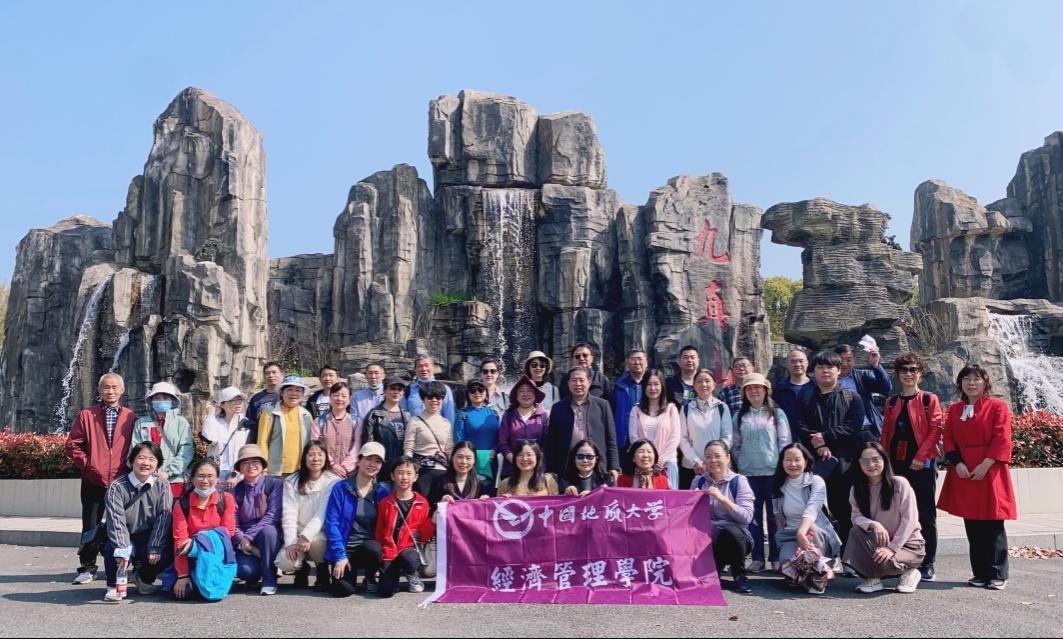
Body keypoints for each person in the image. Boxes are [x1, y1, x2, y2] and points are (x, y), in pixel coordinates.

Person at [937, 364, 1017, 590]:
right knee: (972, 524)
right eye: (966, 379)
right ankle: (980, 573)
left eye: (976, 379)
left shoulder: (997, 406)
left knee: (993, 523)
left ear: (985, 383)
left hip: (989, 469)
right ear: (960, 383)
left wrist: (986, 464)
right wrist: (957, 463)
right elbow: (948, 438)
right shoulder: (955, 410)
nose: (971, 383)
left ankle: (997, 573)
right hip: (964, 471)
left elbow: (1002, 438)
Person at [798, 350, 867, 567]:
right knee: (817, 511)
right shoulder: (806, 397)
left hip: (845, 464)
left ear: (839, 370)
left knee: (845, 510)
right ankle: (823, 556)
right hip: (816, 463)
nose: (825, 371)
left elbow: (854, 426)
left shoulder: (851, 397)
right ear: (813, 372)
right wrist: (820, 445)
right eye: (820, 367)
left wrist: (826, 437)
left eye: (830, 367)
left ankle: (849, 557)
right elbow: (800, 425)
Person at [65, 372, 136, 585]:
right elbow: (73, 445)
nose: (110, 391)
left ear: (122, 390)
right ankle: (87, 567)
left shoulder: (131, 417)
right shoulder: (87, 415)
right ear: (99, 390)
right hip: (93, 480)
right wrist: (89, 465)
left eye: (114, 387)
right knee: (90, 525)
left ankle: (125, 565)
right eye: (106, 387)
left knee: (125, 524)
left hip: (122, 481)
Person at [880, 352, 944, 581]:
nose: (909, 374)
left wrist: (920, 457)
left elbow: (935, 429)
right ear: (898, 374)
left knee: (925, 515)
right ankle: (899, 560)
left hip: (921, 464)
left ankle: (927, 563)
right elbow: (886, 433)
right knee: (897, 514)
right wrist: (883, 461)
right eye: (904, 370)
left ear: (920, 373)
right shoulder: (891, 402)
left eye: (913, 370)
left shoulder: (929, 399)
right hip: (896, 464)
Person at [843, 442, 925, 594]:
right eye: (865, 461)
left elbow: (910, 520)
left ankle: (910, 573)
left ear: (884, 460)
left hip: (907, 545)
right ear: (859, 464)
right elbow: (856, 516)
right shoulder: (857, 489)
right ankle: (873, 578)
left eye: (876, 459)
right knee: (856, 531)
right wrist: (873, 524)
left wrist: (891, 548)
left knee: (885, 559)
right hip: (880, 543)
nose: (871, 465)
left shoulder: (899, 484)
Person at [732, 373, 791, 572]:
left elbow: (785, 443)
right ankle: (757, 557)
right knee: (753, 517)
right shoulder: (740, 416)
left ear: (766, 390)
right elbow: (735, 444)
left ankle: (775, 557)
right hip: (748, 473)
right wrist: (742, 462)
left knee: (775, 517)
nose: (753, 391)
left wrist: (782, 468)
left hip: (773, 472)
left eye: (757, 387)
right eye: (749, 388)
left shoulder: (777, 414)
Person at [102, 441, 173, 602]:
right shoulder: (117, 487)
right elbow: (116, 521)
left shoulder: (163, 485)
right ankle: (113, 585)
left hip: (148, 535)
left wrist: (155, 546)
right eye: (141, 458)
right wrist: (122, 548)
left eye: (152, 459)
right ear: (132, 460)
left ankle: (142, 578)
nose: (146, 463)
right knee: (113, 550)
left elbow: (163, 518)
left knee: (164, 553)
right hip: (125, 534)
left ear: (158, 464)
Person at [772, 443, 841, 595]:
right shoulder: (778, 484)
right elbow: (777, 514)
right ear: (782, 462)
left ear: (806, 461)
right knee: (786, 564)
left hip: (816, 534)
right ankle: (805, 577)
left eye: (797, 459)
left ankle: (818, 577)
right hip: (791, 536)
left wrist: (801, 533)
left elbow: (812, 508)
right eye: (788, 460)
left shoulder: (816, 481)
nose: (793, 464)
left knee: (811, 529)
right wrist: (781, 538)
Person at [324, 442, 391, 597]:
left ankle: (370, 576)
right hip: (345, 548)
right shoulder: (341, 488)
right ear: (359, 460)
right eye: (368, 459)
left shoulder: (382, 493)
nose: (372, 464)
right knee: (343, 590)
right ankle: (346, 572)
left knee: (374, 549)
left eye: (377, 461)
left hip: (368, 549)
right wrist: (340, 555)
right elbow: (331, 523)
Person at [691, 440, 755, 594]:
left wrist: (722, 499)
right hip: (707, 537)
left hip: (735, 539)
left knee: (730, 532)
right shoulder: (699, 481)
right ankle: (714, 572)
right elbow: (689, 515)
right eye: (708, 457)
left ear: (728, 457)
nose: (713, 460)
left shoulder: (739, 481)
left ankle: (739, 575)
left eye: (717, 456)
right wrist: (693, 502)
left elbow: (746, 517)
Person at [277, 440, 340, 591]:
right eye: (311, 454)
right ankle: (301, 569)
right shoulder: (291, 481)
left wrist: (307, 536)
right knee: (285, 562)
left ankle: (322, 570)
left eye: (320, 454)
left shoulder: (333, 481)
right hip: (296, 533)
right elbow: (289, 514)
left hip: (320, 533)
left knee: (317, 543)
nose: (315, 458)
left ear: (326, 457)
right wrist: (291, 543)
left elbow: (322, 513)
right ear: (304, 457)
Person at [172, 459, 237, 600]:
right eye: (200, 476)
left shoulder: (226, 499)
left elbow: (228, 532)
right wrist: (183, 575)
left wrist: (197, 540)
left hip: (217, 553)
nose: (205, 480)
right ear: (192, 479)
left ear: (218, 479)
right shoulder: (182, 503)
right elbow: (180, 541)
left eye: (210, 476)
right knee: (179, 590)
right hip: (191, 554)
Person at [375, 456, 436, 597]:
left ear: (416, 477)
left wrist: (432, 522)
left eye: (409, 473)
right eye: (400, 473)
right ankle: (393, 575)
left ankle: (412, 573)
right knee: (386, 591)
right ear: (393, 476)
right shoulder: (385, 503)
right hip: (390, 552)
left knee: (408, 557)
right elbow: (379, 531)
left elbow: (423, 535)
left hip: (409, 551)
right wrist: (382, 553)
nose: (404, 477)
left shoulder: (422, 503)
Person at [546, 367, 621, 481]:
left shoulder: (603, 405)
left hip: (597, 464)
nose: (578, 384)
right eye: (574, 380)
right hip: (567, 465)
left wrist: (614, 467)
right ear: (568, 383)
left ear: (589, 382)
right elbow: (552, 441)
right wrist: (551, 469)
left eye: (581, 380)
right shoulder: (558, 408)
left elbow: (611, 439)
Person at [230, 444, 283, 595]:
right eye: (245, 462)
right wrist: (242, 539)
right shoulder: (235, 490)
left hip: (268, 536)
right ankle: (259, 569)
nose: (251, 465)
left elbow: (273, 515)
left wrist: (249, 537)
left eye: (255, 461)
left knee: (269, 531)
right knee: (245, 571)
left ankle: (269, 580)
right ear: (240, 468)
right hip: (244, 539)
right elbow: (233, 522)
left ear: (262, 464)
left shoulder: (274, 484)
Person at [132, 381, 193, 499]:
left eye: (165, 397)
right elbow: (135, 449)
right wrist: (145, 470)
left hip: (174, 480)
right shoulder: (141, 423)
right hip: (146, 479)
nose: (161, 400)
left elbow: (186, 450)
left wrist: (168, 472)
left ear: (172, 400)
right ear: (151, 400)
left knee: (172, 509)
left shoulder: (181, 422)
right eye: (157, 398)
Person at [627, 369, 681, 488]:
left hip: (667, 464)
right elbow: (634, 438)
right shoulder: (636, 410)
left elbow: (675, 437)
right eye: (649, 384)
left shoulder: (671, 409)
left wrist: (660, 460)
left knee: (668, 498)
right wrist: (649, 461)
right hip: (644, 465)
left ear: (662, 386)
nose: (652, 388)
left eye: (656, 384)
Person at [679, 369, 732, 484]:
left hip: (718, 466)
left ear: (714, 384)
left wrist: (714, 458)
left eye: (707, 381)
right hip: (693, 467)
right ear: (694, 385)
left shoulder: (722, 407)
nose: (703, 384)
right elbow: (682, 438)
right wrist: (695, 460)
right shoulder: (686, 408)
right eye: (699, 381)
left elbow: (727, 436)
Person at [403, 380, 455, 497]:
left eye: (438, 397)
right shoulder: (414, 421)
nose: (434, 400)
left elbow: (449, 449)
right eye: (430, 397)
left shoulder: (446, 423)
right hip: (421, 471)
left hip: (442, 471)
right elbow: (408, 448)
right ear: (423, 399)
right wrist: (409, 471)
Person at [257, 375, 314, 476]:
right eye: (289, 389)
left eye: (298, 390)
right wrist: (263, 468)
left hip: (300, 471)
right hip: (275, 471)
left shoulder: (306, 415)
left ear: (302, 394)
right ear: (282, 392)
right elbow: (262, 441)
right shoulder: (270, 412)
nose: (294, 393)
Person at [835, 343, 893, 439]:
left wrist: (875, 364)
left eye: (849, 360)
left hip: (865, 428)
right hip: (839, 431)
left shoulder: (862, 376)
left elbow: (885, 387)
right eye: (841, 360)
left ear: (854, 360)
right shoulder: (828, 380)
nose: (844, 364)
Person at [498, 375, 550, 480]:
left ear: (535, 395)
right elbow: (503, 443)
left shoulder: (543, 416)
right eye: (521, 391)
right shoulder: (508, 415)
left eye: (530, 391)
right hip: (511, 470)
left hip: (536, 471)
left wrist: (533, 461)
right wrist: (516, 461)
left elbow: (546, 444)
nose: (525, 394)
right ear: (516, 395)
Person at [200, 386, 251, 490]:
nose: (238, 403)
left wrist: (236, 475)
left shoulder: (246, 424)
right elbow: (210, 439)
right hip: (216, 472)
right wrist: (210, 415)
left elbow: (247, 452)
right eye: (233, 400)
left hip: (238, 473)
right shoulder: (214, 422)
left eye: (240, 400)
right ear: (222, 404)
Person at [362, 377, 411, 479]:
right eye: (392, 388)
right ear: (384, 391)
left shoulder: (407, 416)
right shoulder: (374, 415)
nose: (396, 392)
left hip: (401, 469)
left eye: (399, 389)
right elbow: (368, 445)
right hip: (381, 467)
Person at [454, 380, 501, 485]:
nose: (477, 393)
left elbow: (501, 437)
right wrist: (472, 455)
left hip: (491, 460)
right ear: (468, 394)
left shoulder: (493, 414)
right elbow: (459, 440)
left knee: (489, 492)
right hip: (470, 462)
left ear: (486, 393)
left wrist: (495, 451)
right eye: (473, 390)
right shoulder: (462, 414)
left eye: (480, 390)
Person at [312, 381, 361, 478]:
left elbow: (357, 446)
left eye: (344, 396)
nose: (339, 399)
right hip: (325, 472)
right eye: (336, 395)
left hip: (350, 474)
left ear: (350, 399)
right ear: (330, 397)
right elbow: (315, 446)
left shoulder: (356, 422)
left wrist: (345, 467)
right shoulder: (319, 422)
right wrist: (332, 464)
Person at [430, 441, 495, 507]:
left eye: (468, 458)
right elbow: (429, 509)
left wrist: (486, 503)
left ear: (474, 461)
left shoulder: (479, 485)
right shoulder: (439, 481)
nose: (463, 462)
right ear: (452, 458)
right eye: (460, 457)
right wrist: (441, 503)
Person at [612, 348, 648, 453]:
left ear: (646, 362)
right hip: (624, 438)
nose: (637, 362)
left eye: (640, 359)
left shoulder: (652, 385)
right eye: (633, 359)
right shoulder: (619, 385)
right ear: (627, 363)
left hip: (647, 439)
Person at [403, 354, 456, 424]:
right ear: (415, 369)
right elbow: (404, 415)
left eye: (427, 365)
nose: (424, 369)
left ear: (433, 368)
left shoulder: (444, 389)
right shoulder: (408, 390)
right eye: (420, 366)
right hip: (415, 429)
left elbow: (449, 416)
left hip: (437, 429)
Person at [773, 348, 813, 429]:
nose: (797, 364)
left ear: (807, 363)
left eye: (801, 361)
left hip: (813, 434)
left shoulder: (817, 387)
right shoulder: (778, 390)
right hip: (787, 434)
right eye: (793, 361)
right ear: (786, 364)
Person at [246, 361, 285, 441]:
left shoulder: (287, 396)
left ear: (282, 375)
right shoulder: (256, 398)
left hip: (282, 439)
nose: (271, 375)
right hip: (260, 439)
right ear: (264, 376)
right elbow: (250, 422)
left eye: (274, 372)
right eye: (267, 373)